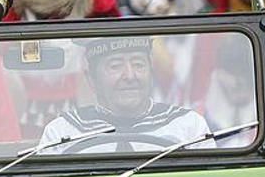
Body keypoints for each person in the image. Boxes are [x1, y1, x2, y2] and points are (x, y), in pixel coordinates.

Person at [41, 37, 212, 152]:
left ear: (151, 72)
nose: (130, 76)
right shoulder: (62, 132)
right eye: (115, 66)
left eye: (139, 65)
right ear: (91, 79)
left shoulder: (188, 127)